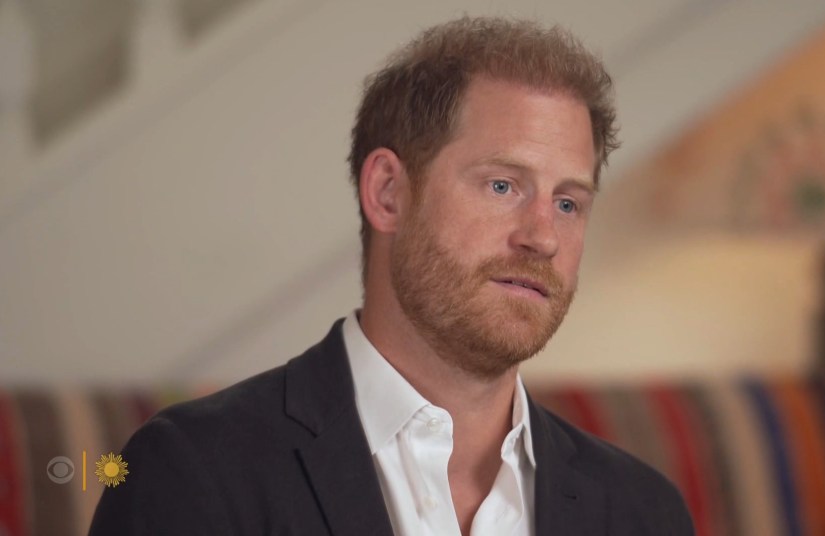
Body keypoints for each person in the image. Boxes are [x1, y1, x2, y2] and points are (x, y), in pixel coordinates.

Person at [89, 16, 693, 536]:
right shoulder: (192, 474)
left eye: (568, 202)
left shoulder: (643, 512)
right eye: (503, 185)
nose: (543, 236)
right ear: (387, 193)